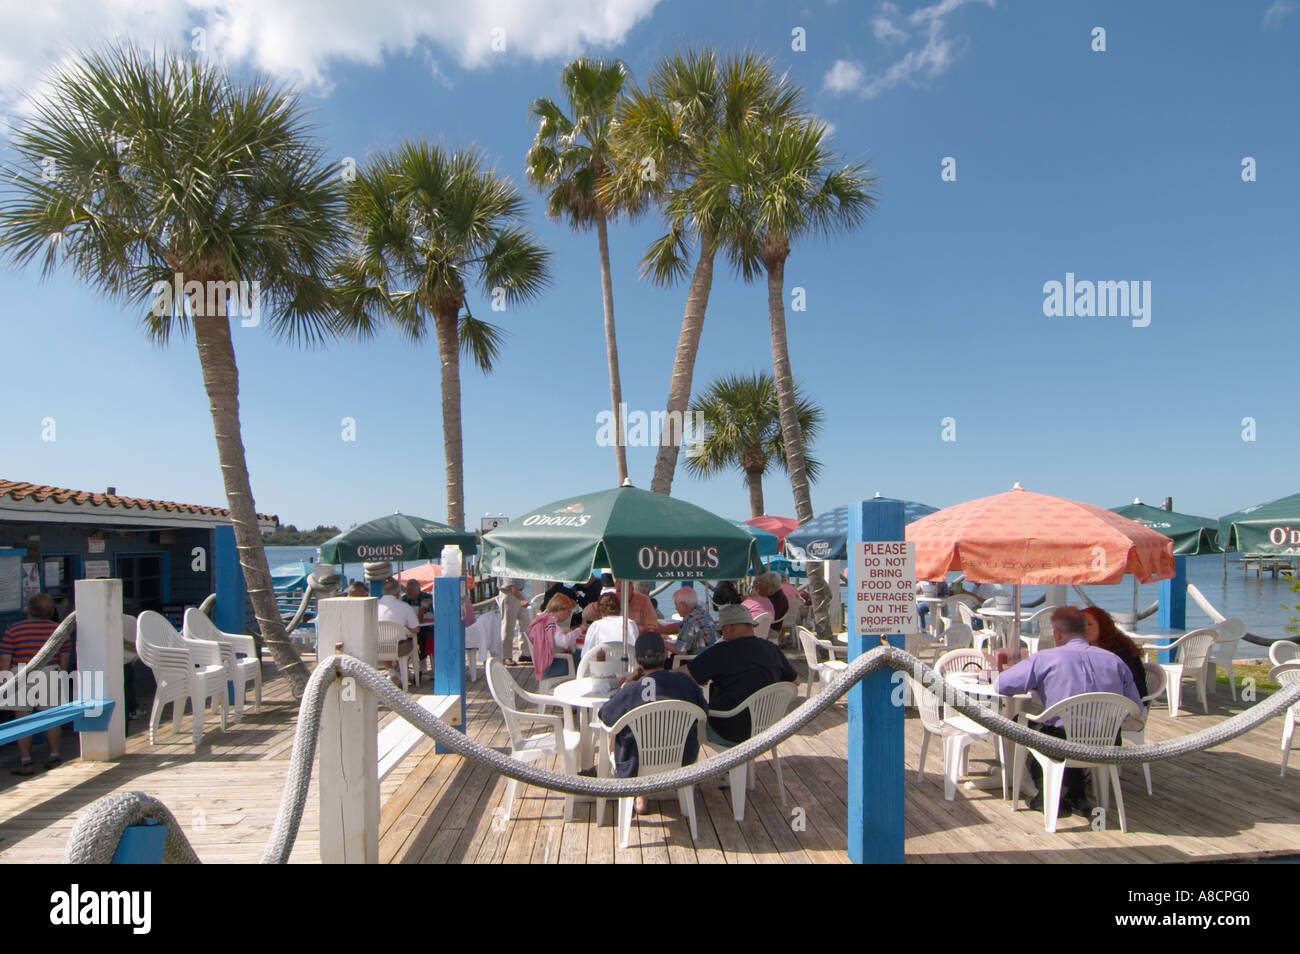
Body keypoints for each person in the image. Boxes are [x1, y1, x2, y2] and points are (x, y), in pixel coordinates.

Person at [994, 606, 1141, 817]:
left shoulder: (1045, 659)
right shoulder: (1114, 661)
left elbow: (1001, 685)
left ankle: (1046, 793)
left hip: (1060, 744)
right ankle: (1075, 793)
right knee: (1070, 727)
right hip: (1107, 741)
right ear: (1083, 630)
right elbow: (1134, 707)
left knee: (1028, 724)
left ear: (1057, 633)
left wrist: (1038, 683)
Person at [598, 631, 708, 812]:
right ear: (664, 655)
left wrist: (626, 684)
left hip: (635, 763)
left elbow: (605, 716)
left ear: (637, 661)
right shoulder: (685, 683)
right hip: (681, 758)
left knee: (619, 733)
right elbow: (703, 710)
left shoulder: (631, 690)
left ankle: (640, 793)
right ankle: (644, 795)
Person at [685, 605, 798, 746]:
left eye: (721, 631)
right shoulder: (772, 649)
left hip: (729, 731)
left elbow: (685, 675)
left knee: (687, 724)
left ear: (730, 627)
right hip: (767, 730)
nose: (721, 635)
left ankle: (701, 768)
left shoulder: (721, 651)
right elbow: (795, 682)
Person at [0, 593, 70, 775]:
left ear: (29, 609)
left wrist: (4, 681)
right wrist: (61, 674)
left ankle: (26, 761)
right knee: (52, 717)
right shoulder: (59, 630)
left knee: (22, 719)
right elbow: (65, 656)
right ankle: (54, 756)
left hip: (21, 673)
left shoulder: (13, 630)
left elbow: (5, 659)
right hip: (50, 671)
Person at [1082, 607, 1149, 700]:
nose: (1085, 628)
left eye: (1090, 624)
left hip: (1126, 702)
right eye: (1081, 625)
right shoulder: (1085, 650)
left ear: (1102, 626)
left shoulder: (1119, 651)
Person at [527, 593, 580, 681]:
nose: (569, 615)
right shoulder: (552, 626)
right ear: (560, 609)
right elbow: (564, 642)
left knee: (575, 652)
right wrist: (578, 631)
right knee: (580, 654)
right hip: (551, 668)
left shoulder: (544, 620)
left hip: (543, 665)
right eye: (568, 611)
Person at [581, 592, 640, 665]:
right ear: (619, 607)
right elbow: (636, 649)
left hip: (602, 671)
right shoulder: (629, 623)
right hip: (628, 669)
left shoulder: (596, 625)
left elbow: (585, 655)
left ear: (600, 610)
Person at [656, 586, 719, 655]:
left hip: (699, 661)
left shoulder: (690, 620)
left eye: (676, 605)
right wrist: (657, 631)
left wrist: (660, 641)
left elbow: (680, 650)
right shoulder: (702, 612)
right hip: (713, 656)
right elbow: (679, 626)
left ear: (683, 605)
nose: (676, 608)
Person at [376, 579, 418, 675]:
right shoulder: (404, 606)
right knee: (411, 642)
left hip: (377, 648)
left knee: (382, 640)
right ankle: (400, 671)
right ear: (398, 593)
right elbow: (416, 629)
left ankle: (392, 672)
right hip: (398, 649)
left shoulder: (373, 605)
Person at [496, 576, 532, 666]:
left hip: (519, 592)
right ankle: (506, 656)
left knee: (525, 623)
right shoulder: (507, 564)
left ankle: (525, 653)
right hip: (510, 594)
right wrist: (522, 599)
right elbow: (510, 584)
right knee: (508, 626)